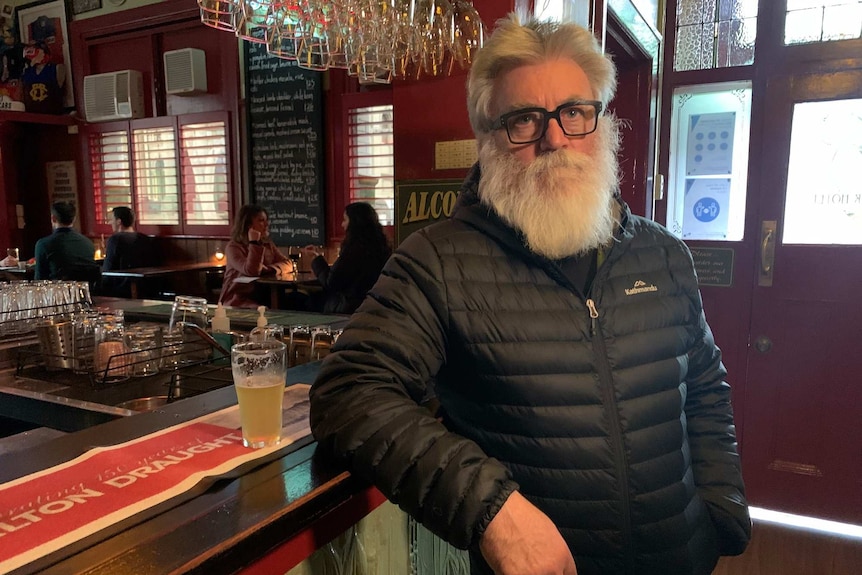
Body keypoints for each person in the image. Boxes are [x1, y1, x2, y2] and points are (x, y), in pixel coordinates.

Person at [309, 14, 750, 575]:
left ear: (601, 122)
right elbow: (348, 391)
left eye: (574, 112)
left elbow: (705, 389)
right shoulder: (437, 261)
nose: (555, 139)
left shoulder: (664, 254)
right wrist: (492, 511)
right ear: (488, 139)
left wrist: (720, 512)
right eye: (524, 120)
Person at [301, 202, 391, 314]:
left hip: (349, 307)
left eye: (345, 220)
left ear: (355, 223)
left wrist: (316, 258)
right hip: (375, 306)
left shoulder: (354, 249)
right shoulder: (382, 246)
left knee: (301, 300)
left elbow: (332, 283)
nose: (342, 225)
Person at [221, 204, 291, 308]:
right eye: (261, 220)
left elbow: (288, 263)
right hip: (240, 299)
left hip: (267, 293)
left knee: (302, 301)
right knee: (265, 310)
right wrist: (254, 242)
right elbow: (252, 270)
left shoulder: (267, 244)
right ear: (248, 225)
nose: (267, 224)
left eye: (266, 220)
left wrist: (270, 269)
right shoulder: (233, 247)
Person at [34, 201, 97, 281]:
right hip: (85, 290)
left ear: (53, 218)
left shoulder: (43, 244)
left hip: (57, 291)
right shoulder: (88, 243)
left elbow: (39, 280)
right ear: (74, 219)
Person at [101, 206, 153, 297]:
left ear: (119, 221)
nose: (110, 222)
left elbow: (108, 268)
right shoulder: (144, 238)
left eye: (112, 219)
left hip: (121, 286)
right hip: (146, 285)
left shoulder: (115, 239)